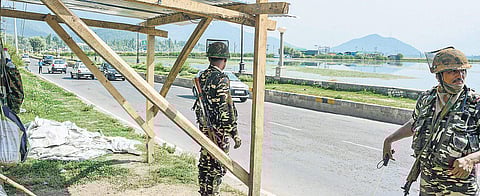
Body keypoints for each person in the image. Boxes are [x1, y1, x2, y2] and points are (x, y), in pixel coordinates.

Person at [383, 47, 480, 195]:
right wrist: (389, 140)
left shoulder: (475, 103)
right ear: (438, 76)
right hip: (428, 180)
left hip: (459, 186)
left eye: (463, 71)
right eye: (452, 71)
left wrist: (471, 160)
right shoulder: (427, 99)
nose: (459, 75)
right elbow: (415, 124)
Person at [193, 41, 242, 196]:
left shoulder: (202, 77)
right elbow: (225, 108)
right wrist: (234, 132)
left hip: (204, 129)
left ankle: (204, 192)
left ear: (209, 58)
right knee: (217, 166)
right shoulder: (221, 78)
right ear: (225, 60)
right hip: (218, 132)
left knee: (205, 164)